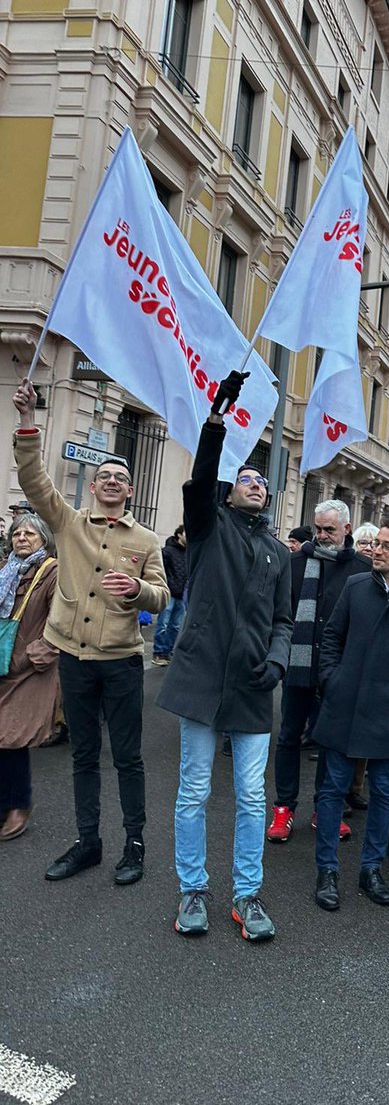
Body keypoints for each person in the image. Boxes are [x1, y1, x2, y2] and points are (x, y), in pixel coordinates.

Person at [12, 377, 168, 886]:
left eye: (119, 476)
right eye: (103, 475)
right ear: (94, 484)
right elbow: (35, 481)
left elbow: (162, 595)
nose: (110, 481)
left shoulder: (146, 540)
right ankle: (88, 843)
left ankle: (135, 845)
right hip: (74, 663)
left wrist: (138, 593)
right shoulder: (68, 523)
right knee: (82, 755)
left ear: (129, 490)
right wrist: (27, 424)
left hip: (121, 663)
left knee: (126, 758)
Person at [157, 371, 292, 941]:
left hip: (254, 685)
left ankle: (246, 895)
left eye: (262, 481)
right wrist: (216, 422)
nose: (254, 484)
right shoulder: (208, 528)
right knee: (194, 789)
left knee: (252, 796)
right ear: (229, 491)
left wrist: (278, 662)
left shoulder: (278, 551)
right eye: (246, 479)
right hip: (201, 675)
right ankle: (192, 889)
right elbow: (201, 477)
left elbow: (284, 620)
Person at [311, 519, 389, 911]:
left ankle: (371, 869)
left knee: (384, 791)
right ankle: (327, 870)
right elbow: (332, 636)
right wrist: (331, 679)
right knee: (332, 789)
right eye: (376, 544)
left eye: (387, 546)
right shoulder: (355, 587)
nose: (377, 551)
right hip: (344, 703)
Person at [266, 499, 369, 843]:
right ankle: (283, 807)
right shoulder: (294, 562)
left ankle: (327, 807)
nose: (322, 536)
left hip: (338, 670)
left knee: (331, 741)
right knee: (289, 737)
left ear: (347, 530)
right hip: (298, 666)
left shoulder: (363, 568)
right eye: (318, 529)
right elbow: (278, 613)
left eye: (330, 529)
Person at [0, 514, 59, 840]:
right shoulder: (5, 569)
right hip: (1, 664)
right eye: (17, 533)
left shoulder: (52, 571)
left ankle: (19, 806)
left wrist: (29, 659)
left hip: (28, 669)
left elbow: (60, 625)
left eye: (30, 533)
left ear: (44, 538)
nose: (22, 537)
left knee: (11, 738)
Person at [152, 525, 188, 666]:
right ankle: (159, 653)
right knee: (163, 624)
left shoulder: (189, 553)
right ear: (179, 534)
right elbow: (161, 572)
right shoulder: (167, 552)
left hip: (181, 595)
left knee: (176, 626)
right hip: (169, 593)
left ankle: (167, 652)